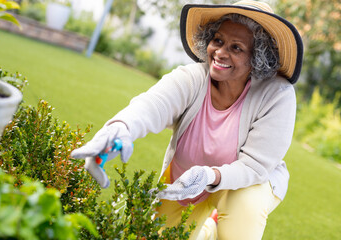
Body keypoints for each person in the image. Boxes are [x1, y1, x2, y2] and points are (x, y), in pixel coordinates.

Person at [71, 0, 303, 239]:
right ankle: (207, 232)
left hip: (246, 182)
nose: (221, 53)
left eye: (236, 48)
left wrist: (210, 176)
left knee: (241, 212)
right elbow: (151, 105)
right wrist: (120, 128)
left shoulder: (278, 95)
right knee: (157, 235)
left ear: (257, 58)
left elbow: (254, 166)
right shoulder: (192, 78)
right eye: (218, 41)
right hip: (187, 179)